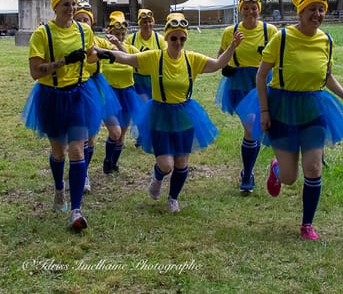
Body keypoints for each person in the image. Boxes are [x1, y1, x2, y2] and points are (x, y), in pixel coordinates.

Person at [236, 0, 343, 241]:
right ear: (300, 12)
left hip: (313, 107)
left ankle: (307, 224)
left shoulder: (326, 40)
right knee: (289, 177)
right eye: (311, 10)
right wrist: (264, 110)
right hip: (282, 106)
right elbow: (261, 75)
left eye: (321, 10)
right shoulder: (282, 38)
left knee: (314, 168)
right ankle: (276, 170)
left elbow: (326, 75)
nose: (317, 14)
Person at [97, 12, 243, 212]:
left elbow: (217, 64)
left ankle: (173, 198)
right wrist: (103, 52)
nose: (178, 42)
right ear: (166, 38)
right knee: (166, 164)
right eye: (173, 38)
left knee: (182, 163)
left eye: (182, 38)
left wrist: (232, 47)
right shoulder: (155, 57)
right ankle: (158, 176)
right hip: (160, 115)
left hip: (184, 114)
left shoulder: (192, 58)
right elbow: (128, 58)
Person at [21, 0, 102, 231]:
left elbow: (91, 55)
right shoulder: (42, 34)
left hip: (80, 94)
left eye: (74, 4)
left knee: (77, 149)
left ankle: (76, 211)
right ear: (55, 6)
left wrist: (105, 54)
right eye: (66, 4)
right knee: (59, 151)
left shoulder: (83, 30)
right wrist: (64, 62)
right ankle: (59, 189)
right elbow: (36, 72)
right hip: (52, 96)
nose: (71, 8)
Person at [214, 0, 277, 194]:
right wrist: (231, 52)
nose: (250, 12)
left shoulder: (271, 31)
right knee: (251, 127)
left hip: (262, 82)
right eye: (246, 8)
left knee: (257, 128)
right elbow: (220, 57)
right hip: (239, 84)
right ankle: (248, 174)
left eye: (254, 8)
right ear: (240, 10)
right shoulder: (230, 31)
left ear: (259, 9)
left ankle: (248, 172)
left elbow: (279, 57)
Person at [73, 1, 121, 193]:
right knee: (89, 136)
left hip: (99, 85)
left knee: (116, 132)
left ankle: (107, 162)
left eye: (87, 19)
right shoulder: (73, 41)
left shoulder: (98, 40)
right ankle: (83, 174)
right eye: (80, 20)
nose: (84, 22)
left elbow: (115, 51)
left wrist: (117, 45)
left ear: (92, 23)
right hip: (83, 87)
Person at [96, 11, 144, 175]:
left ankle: (113, 163)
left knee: (122, 133)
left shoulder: (129, 48)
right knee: (114, 131)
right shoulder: (104, 48)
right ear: (110, 33)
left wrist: (119, 45)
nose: (121, 36)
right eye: (117, 34)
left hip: (127, 93)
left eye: (123, 33)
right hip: (110, 93)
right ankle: (107, 159)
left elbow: (136, 62)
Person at [126, 8, 166, 149]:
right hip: (137, 79)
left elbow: (165, 58)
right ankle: (142, 136)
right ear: (139, 23)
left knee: (153, 109)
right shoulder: (132, 39)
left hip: (153, 79)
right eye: (144, 22)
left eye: (149, 21)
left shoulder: (159, 39)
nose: (147, 25)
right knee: (142, 108)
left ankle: (151, 135)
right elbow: (126, 56)